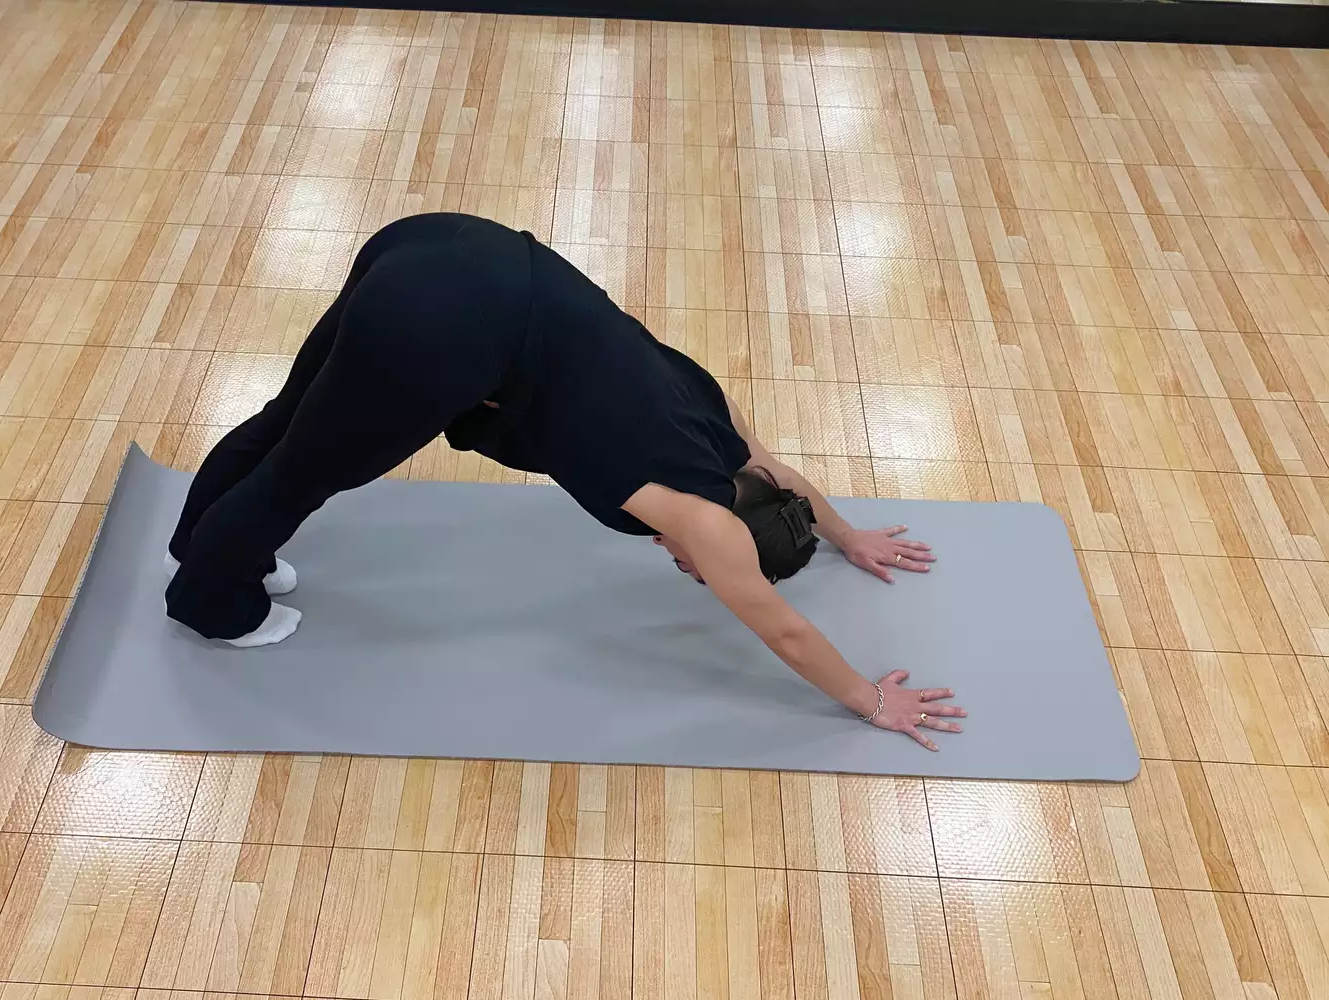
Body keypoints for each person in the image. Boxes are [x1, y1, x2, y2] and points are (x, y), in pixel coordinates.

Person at [165, 213, 966, 749]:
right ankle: (214, 605)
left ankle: (196, 540)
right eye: (694, 571)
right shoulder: (706, 522)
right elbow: (783, 629)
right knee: (302, 474)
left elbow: (788, 479)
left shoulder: (725, 432)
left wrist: (846, 535)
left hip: (448, 246)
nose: (682, 564)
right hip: (438, 323)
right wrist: (873, 701)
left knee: (288, 420)